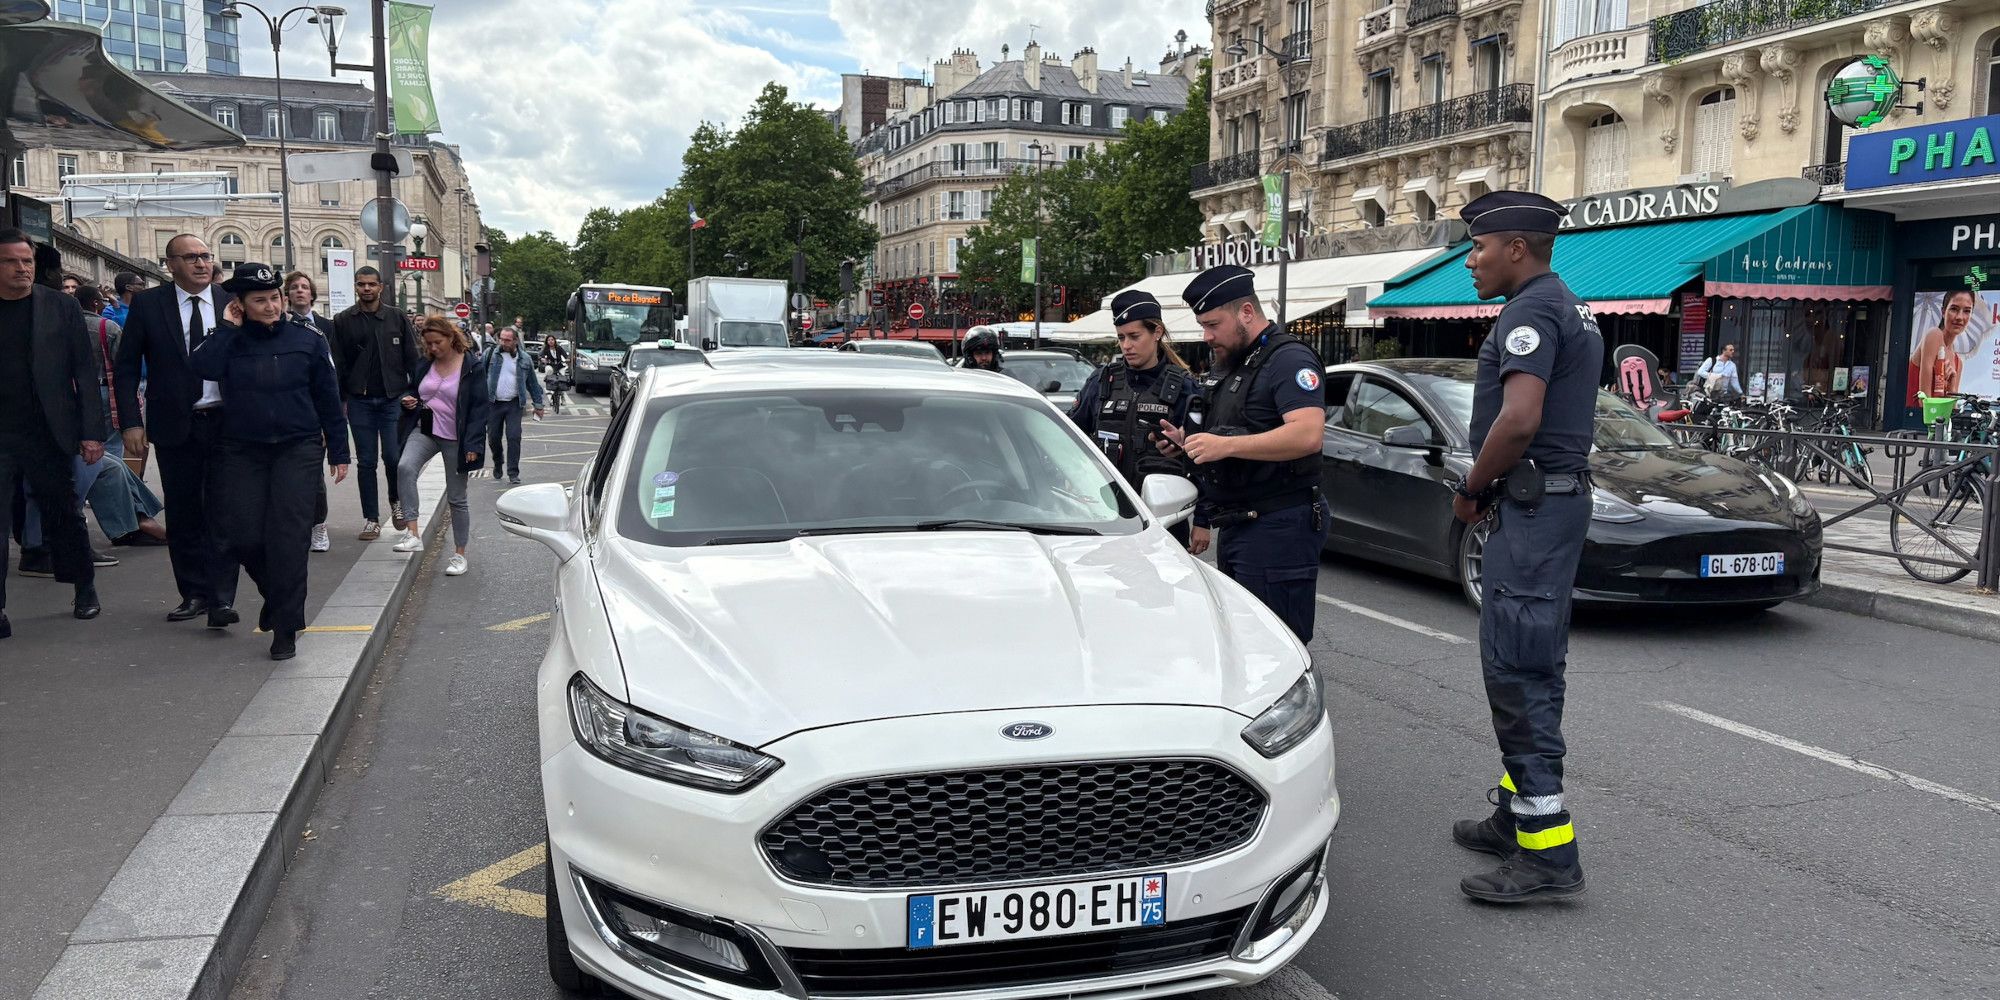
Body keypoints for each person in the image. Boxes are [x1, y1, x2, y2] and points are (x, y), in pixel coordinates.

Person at [1445, 190, 1603, 904]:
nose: (1471, 260)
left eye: (1479, 246)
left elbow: (1518, 418)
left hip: (1534, 510)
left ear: (1516, 248)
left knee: (1518, 672)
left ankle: (1547, 854)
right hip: (1552, 508)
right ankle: (1517, 817)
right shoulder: (1567, 303)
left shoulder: (1532, 309)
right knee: (1535, 663)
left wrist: (1474, 486)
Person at [1156, 266, 1328, 641]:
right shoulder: (1238, 362)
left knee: (1272, 642)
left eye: (1213, 324)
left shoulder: (1288, 359)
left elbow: (1308, 434)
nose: (1207, 336)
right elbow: (1236, 428)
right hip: (1239, 522)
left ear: (1246, 312)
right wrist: (1189, 441)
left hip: (1277, 523)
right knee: (1242, 640)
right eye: (1203, 325)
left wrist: (1226, 445)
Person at [193, 264, 350, 660]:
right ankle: (275, 596)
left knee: (289, 538)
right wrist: (227, 329)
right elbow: (201, 368)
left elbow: (328, 396)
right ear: (240, 305)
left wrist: (340, 450)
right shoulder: (227, 340)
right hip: (242, 449)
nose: (271, 307)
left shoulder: (308, 338)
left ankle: (285, 626)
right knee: (243, 535)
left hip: (297, 448)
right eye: (259, 300)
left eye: (275, 298)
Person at [114, 233, 242, 628]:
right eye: (191, 258)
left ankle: (222, 598)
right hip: (174, 424)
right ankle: (194, 593)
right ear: (170, 264)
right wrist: (132, 422)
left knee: (222, 512)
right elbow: (127, 367)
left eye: (206, 256)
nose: (202, 263)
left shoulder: (231, 303)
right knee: (184, 513)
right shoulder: (150, 306)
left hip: (225, 422)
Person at [0, 229, 105, 637]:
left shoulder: (59, 307)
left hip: (48, 430)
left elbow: (84, 370)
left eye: (26, 261)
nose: (22, 269)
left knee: (64, 515)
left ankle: (84, 588)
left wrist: (91, 433)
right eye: (11, 262)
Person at [1068, 290, 1208, 554]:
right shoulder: (1102, 381)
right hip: (1104, 516)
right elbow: (1070, 439)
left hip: (1165, 521)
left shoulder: (1184, 387)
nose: (1126, 346)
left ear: (1157, 333)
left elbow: (1205, 460)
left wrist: (1203, 519)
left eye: (1134, 336)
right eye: (1121, 337)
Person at [331, 265, 421, 542]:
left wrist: (411, 391)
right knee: (366, 462)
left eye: (371, 284)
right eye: (361, 284)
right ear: (356, 287)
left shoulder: (396, 318)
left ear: (381, 287)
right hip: (360, 402)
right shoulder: (343, 320)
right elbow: (339, 365)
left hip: (393, 399)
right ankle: (371, 519)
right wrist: (342, 399)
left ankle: (396, 502)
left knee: (393, 458)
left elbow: (413, 359)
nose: (366, 289)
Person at [393, 316, 488, 577]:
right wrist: (408, 399)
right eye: (428, 344)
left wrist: (473, 444)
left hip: (456, 438)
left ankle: (459, 554)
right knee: (405, 466)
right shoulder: (425, 363)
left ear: (450, 338)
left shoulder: (471, 366)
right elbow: (411, 389)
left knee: (457, 498)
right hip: (425, 430)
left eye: (437, 343)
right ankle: (412, 532)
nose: (433, 348)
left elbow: (480, 409)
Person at [285, 271, 337, 553]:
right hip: (288, 407)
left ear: (312, 294)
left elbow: (333, 370)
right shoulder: (280, 325)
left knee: (313, 474)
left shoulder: (327, 327)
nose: (300, 291)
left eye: (305, 287)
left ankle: (318, 525)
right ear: (288, 295)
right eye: (294, 288)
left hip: (316, 409)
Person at [484, 326, 544, 485]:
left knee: (514, 437)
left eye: (507, 340)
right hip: (493, 404)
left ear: (515, 340)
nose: (503, 342)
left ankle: (513, 472)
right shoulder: (490, 354)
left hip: (514, 404)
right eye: (501, 339)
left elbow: (532, 383)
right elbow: (479, 376)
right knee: (493, 438)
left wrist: (539, 405)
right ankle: (498, 462)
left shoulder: (525, 359)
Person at [1915, 290, 1974, 401]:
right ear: (1943, 311)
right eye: (1954, 309)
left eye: (1967, 311)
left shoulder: (1958, 362)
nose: (1959, 317)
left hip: (1939, 417)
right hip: (1918, 416)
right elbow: (1924, 400)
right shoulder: (1934, 335)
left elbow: (1952, 408)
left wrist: (1952, 384)